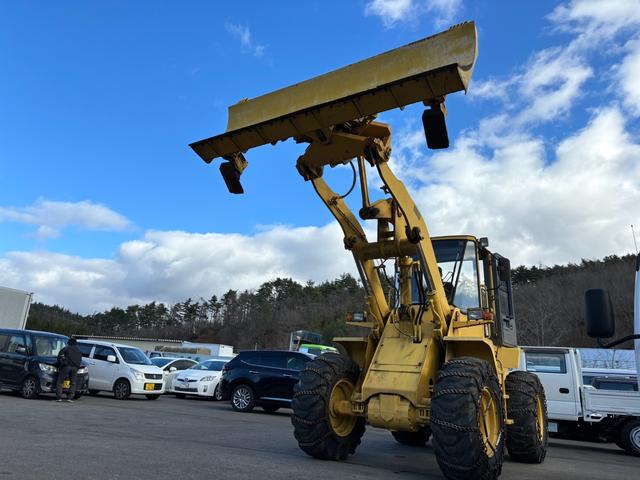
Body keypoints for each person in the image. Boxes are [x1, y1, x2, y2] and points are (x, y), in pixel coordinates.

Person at [56, 337, 82, 403]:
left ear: (69, 343)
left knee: (60, 382)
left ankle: (59, 397)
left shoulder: (66, 348)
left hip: (66, 367)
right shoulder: (79, 351)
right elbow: (80, 360)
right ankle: (70, 398)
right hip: (75, 368)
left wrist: (61, 363)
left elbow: (59, 356)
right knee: (73, 383)